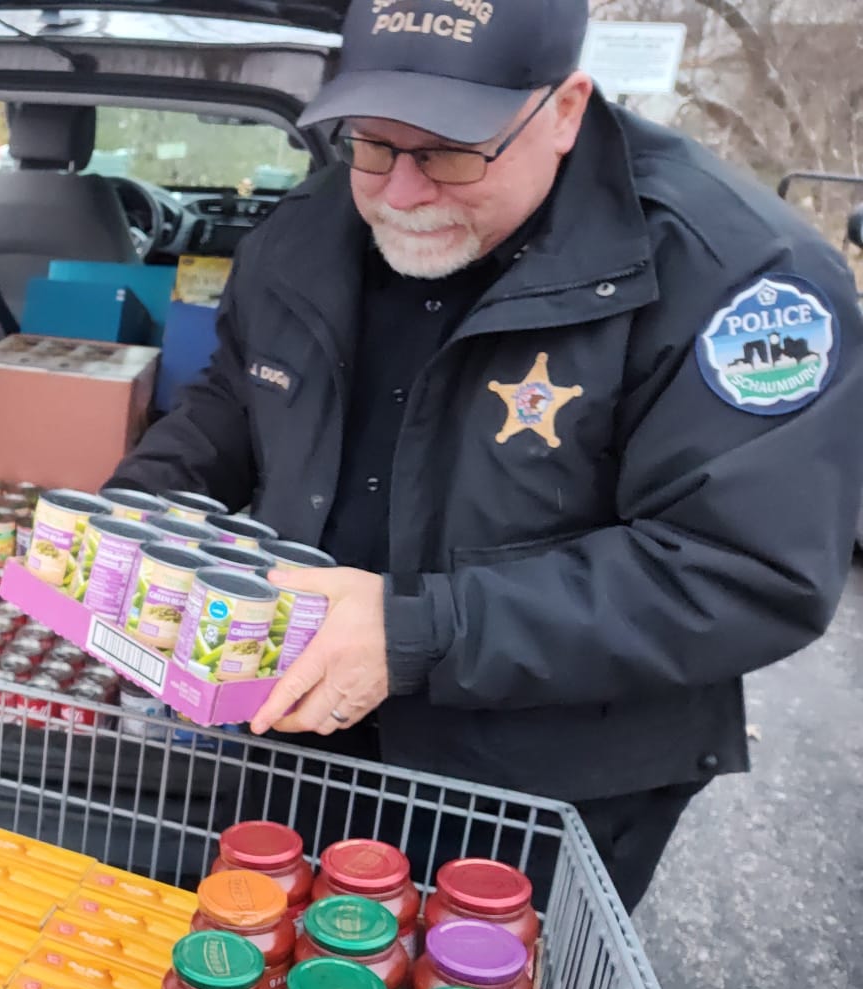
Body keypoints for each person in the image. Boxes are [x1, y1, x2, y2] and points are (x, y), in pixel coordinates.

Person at [109, 0, 863, 908]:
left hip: (543, 784)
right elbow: (242, 393)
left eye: (450, 152)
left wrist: (416, 631)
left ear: (566, 108)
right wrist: (141, 510)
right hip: (299, 729)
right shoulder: (310, 228)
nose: (402, 193)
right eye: (372, 146)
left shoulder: (737, 276)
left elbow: (739, 568)